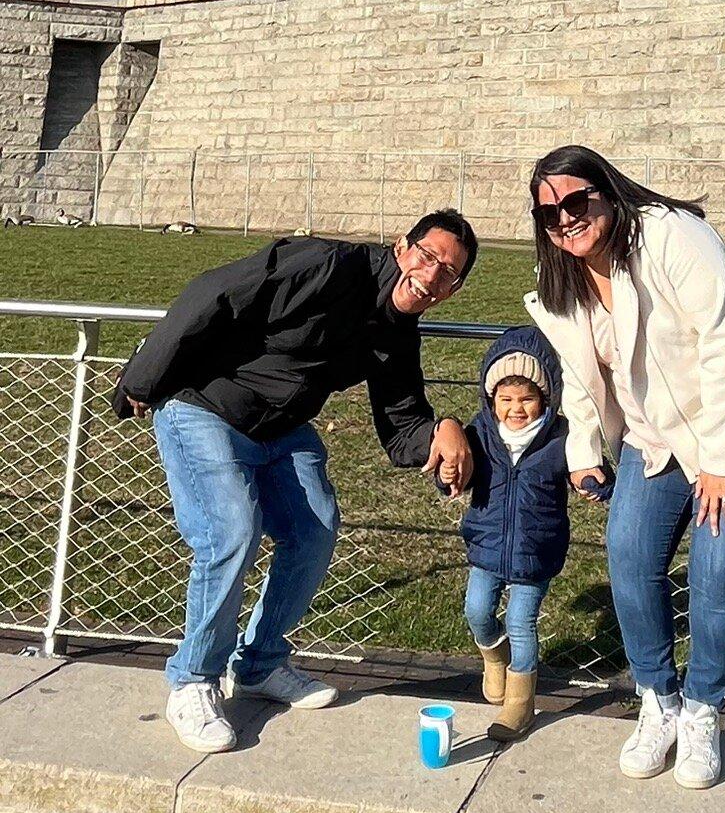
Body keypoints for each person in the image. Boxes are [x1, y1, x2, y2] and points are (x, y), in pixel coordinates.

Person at [113, 213, 478, 755]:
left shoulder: (396, 332)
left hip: (281, 429)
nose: (431, 277)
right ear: (401, 246)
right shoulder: (326, 264)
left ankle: (259, 664)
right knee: (230, 533)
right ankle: (192, 679)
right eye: (427, 256)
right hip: (205, 406)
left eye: (449, 274)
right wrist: (144, 377)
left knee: (315, 529)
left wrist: (445, 432)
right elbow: (213, 291)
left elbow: (402, 423)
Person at [524, 146, 725, 791]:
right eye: (549, 214)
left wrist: (722, 460)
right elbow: (583, 376)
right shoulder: (565, 283)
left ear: (606, 192)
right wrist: (583, 451)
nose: (566, 220)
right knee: (629, 558)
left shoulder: (671, 235)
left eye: (576, 202)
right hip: (657, 435)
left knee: (719, 570)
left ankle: (705, 707)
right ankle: (659, 700)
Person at [459, 327, 585, 744]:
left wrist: (597, 482)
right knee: (477, 610)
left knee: (521, 620)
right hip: (486, 545)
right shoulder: (478, 433)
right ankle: (495, 658)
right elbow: (456, 473)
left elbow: (586, 468)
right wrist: (448, 477)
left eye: (528, 398)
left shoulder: (561, 438)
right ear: (491, 399)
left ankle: (521, 703)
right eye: (506, 399)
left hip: (536, 549)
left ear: (545, 399)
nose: (517, 408)